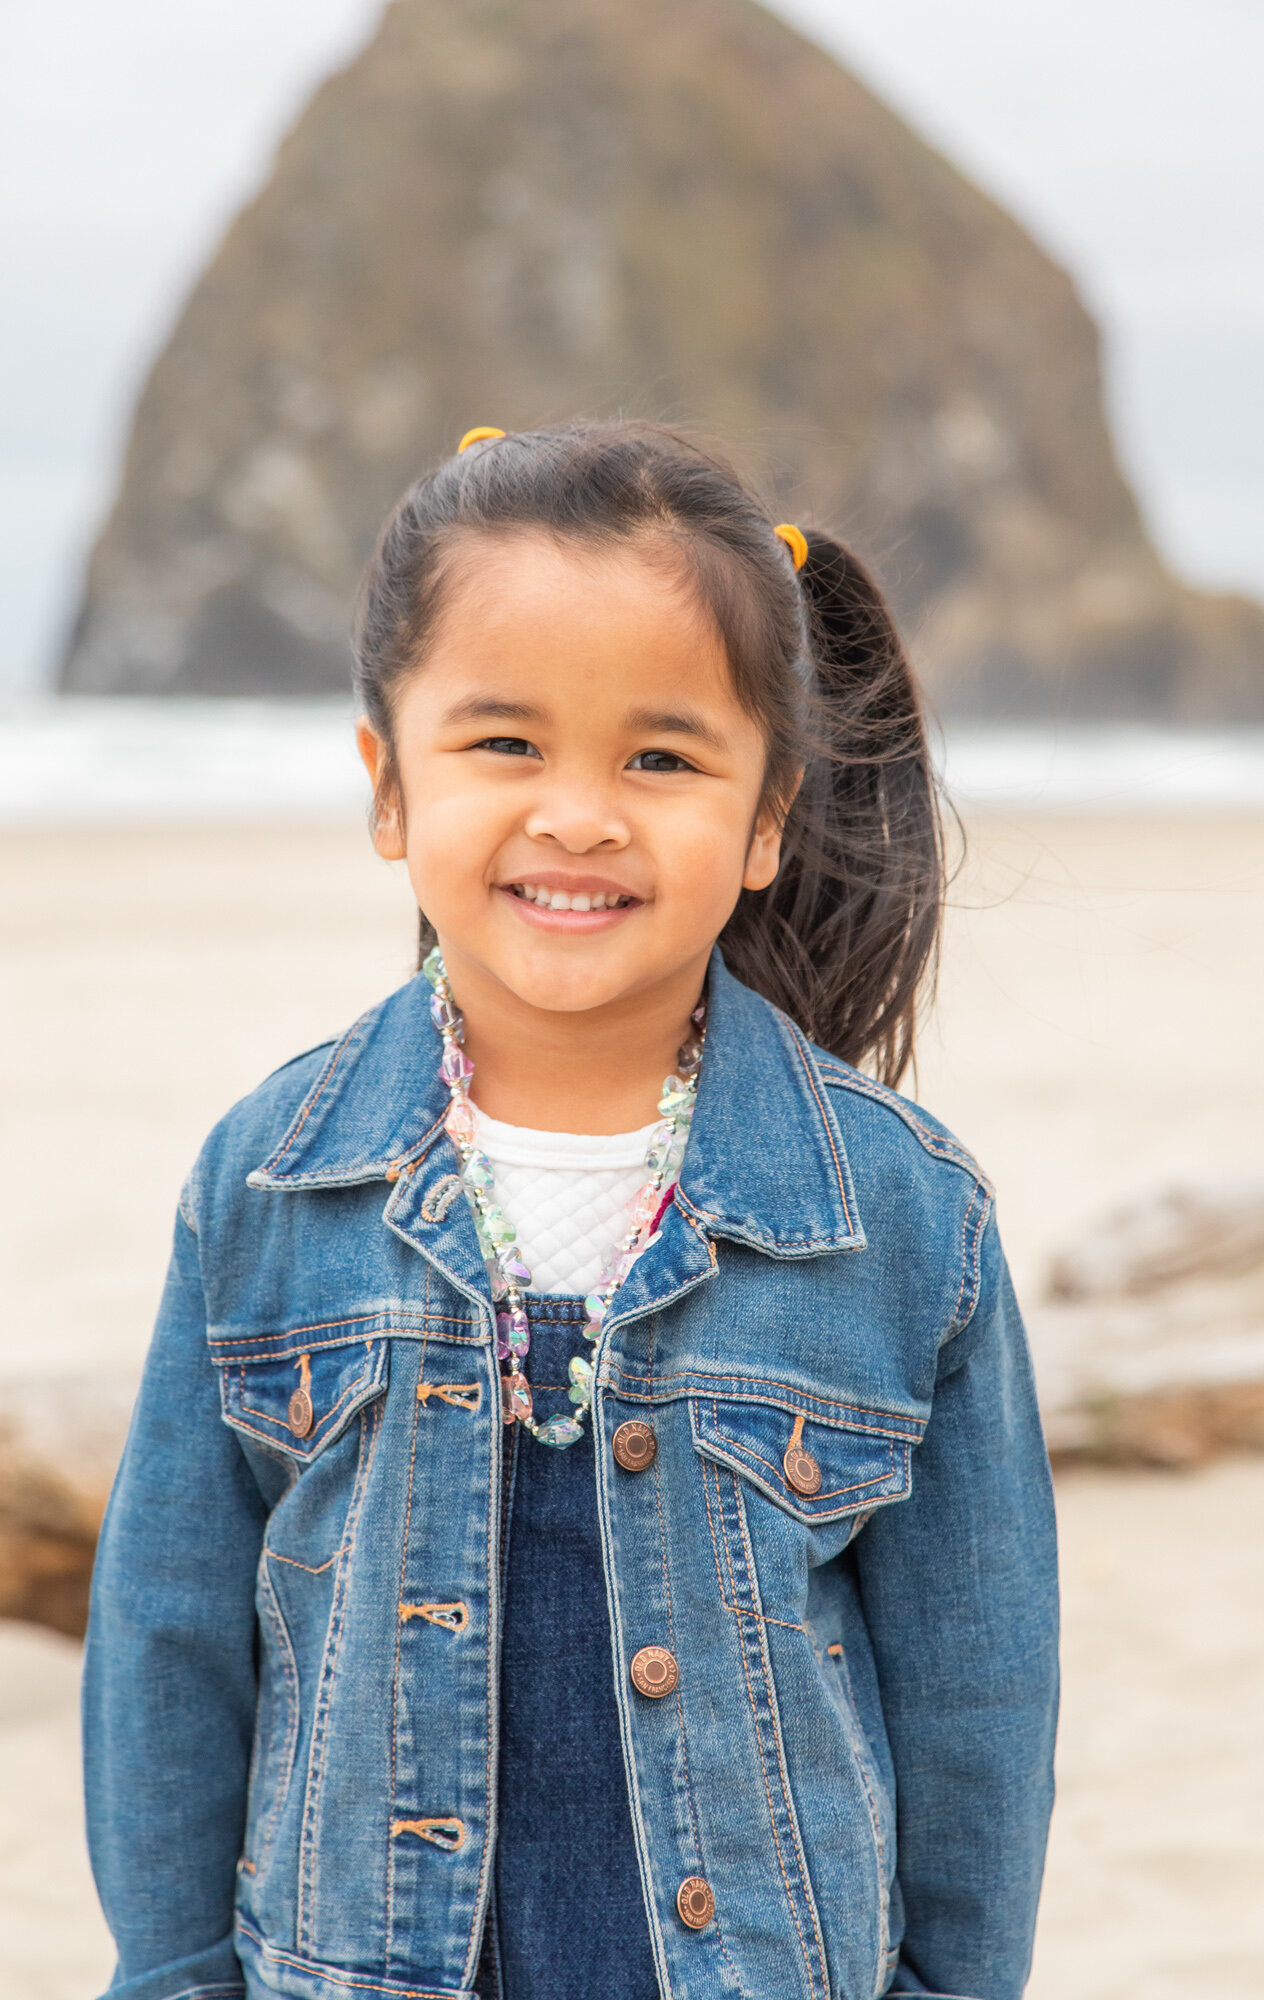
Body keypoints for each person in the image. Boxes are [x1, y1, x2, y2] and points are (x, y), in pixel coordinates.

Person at [83, 419, 1058, 2000]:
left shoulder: (899, 1214)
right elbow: (169, 1650)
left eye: (660, 758)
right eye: (504, 745)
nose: (580, 816)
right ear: (387, 785)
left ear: (765, 818)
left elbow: (978, 1697)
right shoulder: (267, 1179)